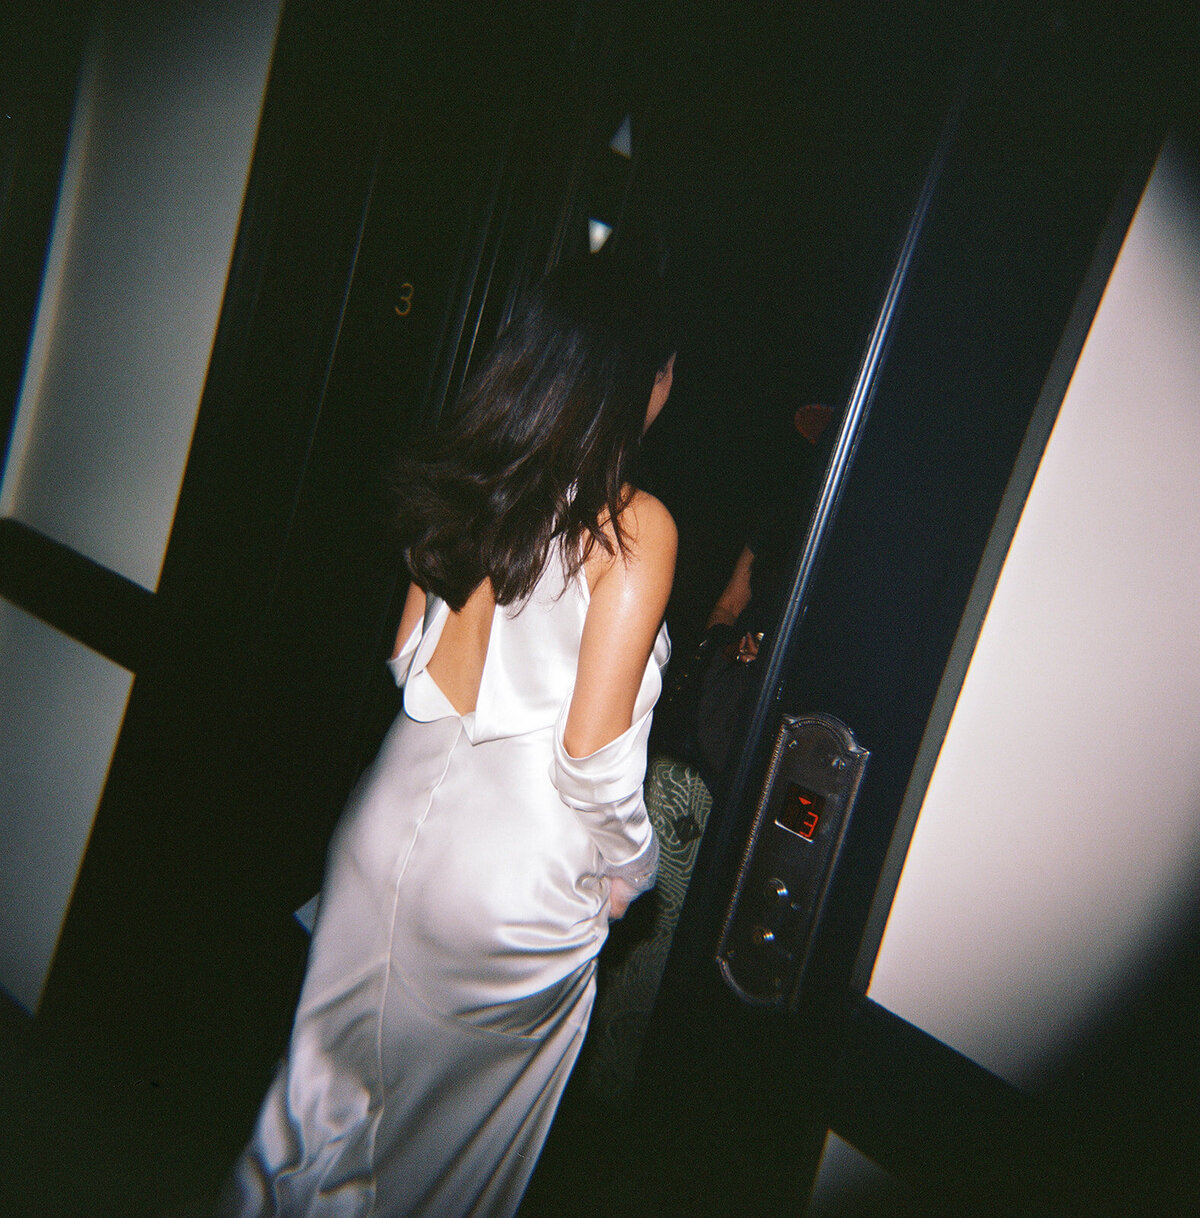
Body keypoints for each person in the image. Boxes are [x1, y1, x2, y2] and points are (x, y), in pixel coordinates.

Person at [218, 254, 677, 1217]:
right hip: (508, 889)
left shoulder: (476, 481)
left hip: (382, 828)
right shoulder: (631, 528)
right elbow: (592, 759)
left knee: (308, 1116)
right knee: (433, 1176)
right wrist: (633, 872)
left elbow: (406, 663)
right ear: (640, 378)